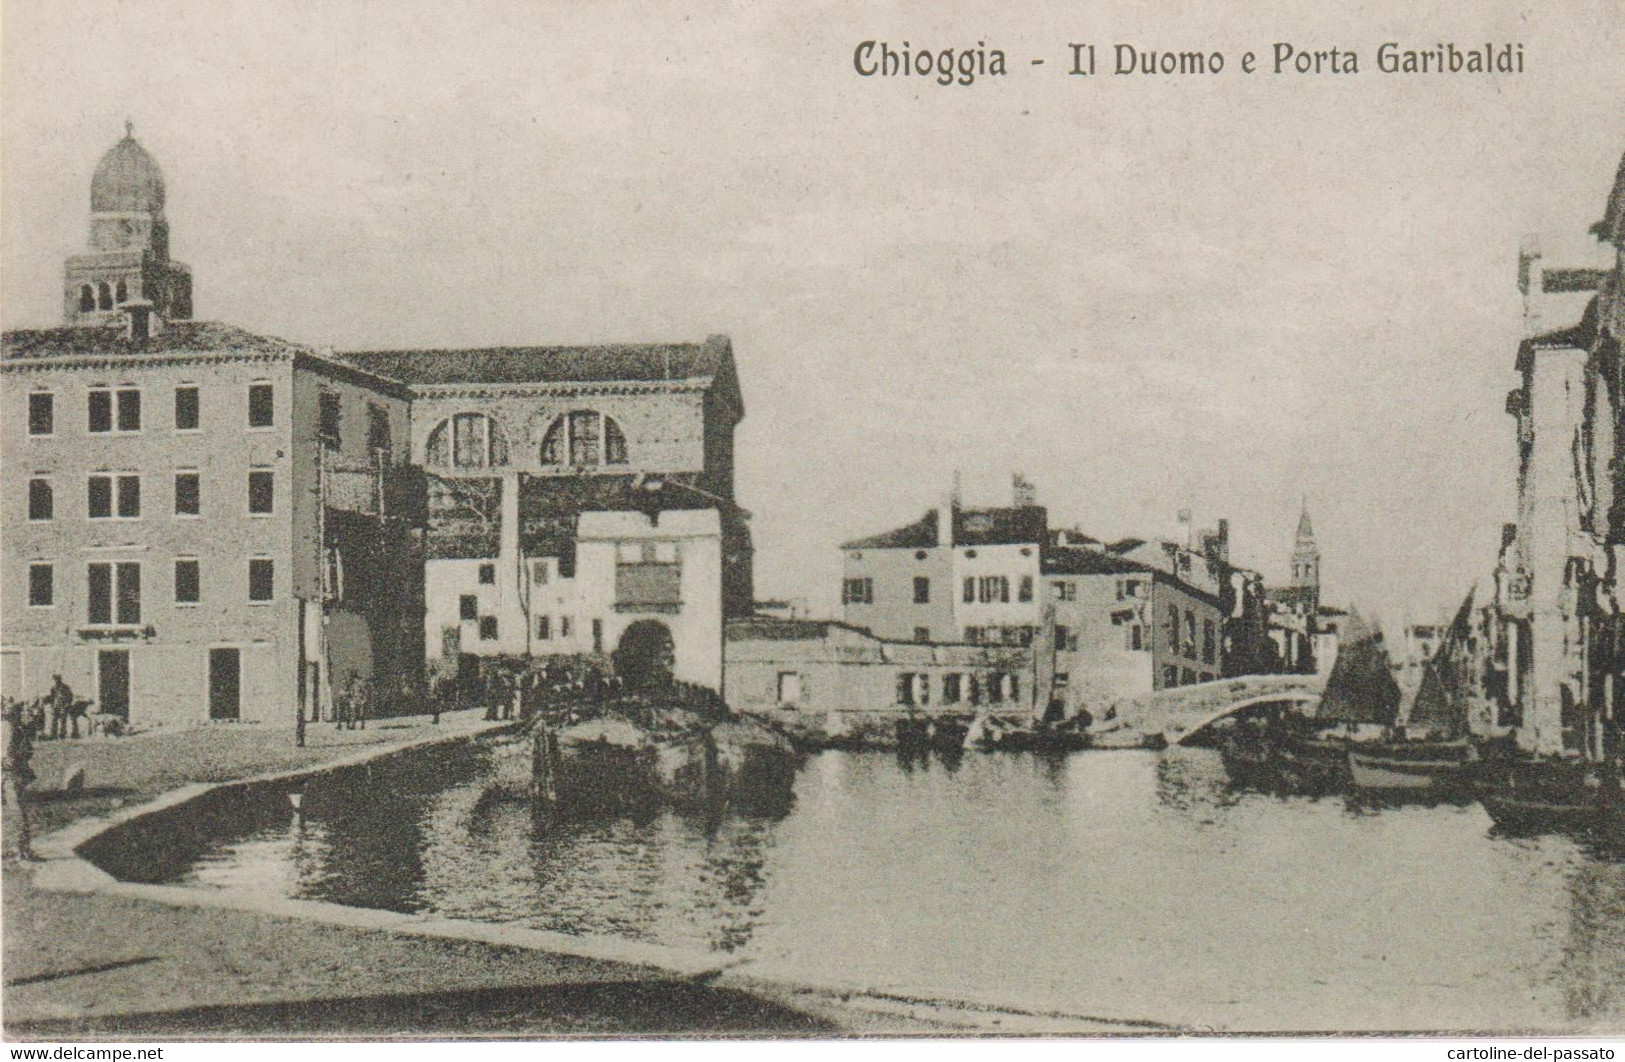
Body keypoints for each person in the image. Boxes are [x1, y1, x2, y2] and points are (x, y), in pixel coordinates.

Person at [2, 698, 42, 861]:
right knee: (19, 812)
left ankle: (17, 849)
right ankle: (21, 850)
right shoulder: (15, 730)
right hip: (12, 774)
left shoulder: (12, 728)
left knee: (14, 811)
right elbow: (25, 752)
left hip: (8, 773)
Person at [46, 674, 72, 741]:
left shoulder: (66, 687)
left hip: (63, 706)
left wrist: (67, 705)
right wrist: (52, 706)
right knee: (54, 720)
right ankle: (53, 734)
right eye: (55, 679)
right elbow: (52, 697)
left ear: (60, 679)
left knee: (63, 721)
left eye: (57, 679)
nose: (56, 681)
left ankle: (62, 735)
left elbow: (70, 697)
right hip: (55, 706)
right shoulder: (53, 688)